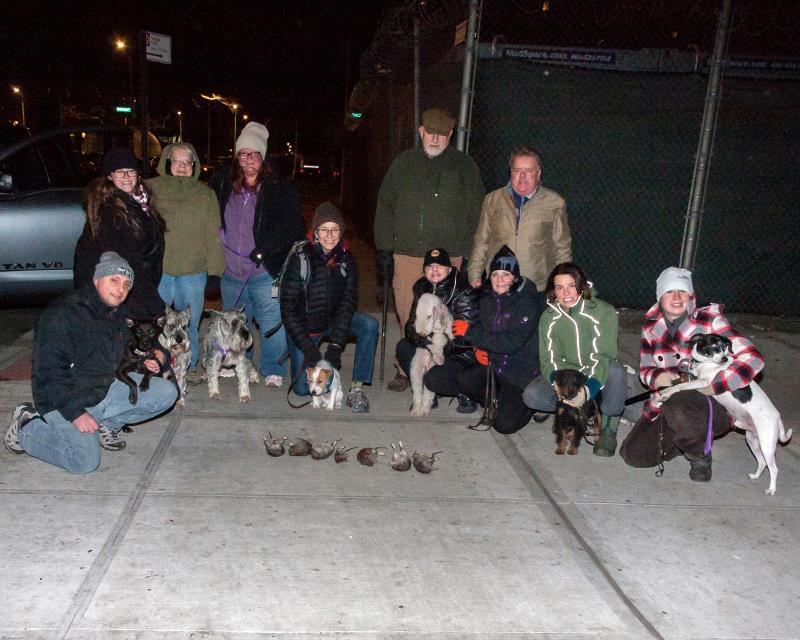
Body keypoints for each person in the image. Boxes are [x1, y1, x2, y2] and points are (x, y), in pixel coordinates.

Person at [4, 252, 178, 473]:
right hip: (64, 399)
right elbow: (48, 374)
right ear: (96, 280)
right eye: (113, 280)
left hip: (102, 390)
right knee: (84, 462)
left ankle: (107, 424)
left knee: (166, 392)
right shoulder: (63, 314)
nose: (120, 289)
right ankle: (27, 426)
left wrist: (158, 356)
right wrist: (75, 413)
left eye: (126, 283)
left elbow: (139, 341)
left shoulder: (117, 313)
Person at [374, 107, 484, 391]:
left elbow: (477, 212)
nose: (435, 139)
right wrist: (384, 249)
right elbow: (385, 206)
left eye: (441, 134)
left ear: (450, 135)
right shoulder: (403, 163)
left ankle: (443, 366)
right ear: (421, 131)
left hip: (450, 255)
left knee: (447, 315)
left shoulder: (464, 166)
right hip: (409, 252)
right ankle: (405, 366)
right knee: (408, 312)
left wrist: (472, 253)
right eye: (429, 133)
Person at [619, 267, 765, 481]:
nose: (676, 297)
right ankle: (684, 439)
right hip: (670, 402)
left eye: (682, 291)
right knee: (633, 455)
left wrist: (716, 384)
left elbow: (753, 358)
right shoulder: (651, 329)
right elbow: (646, 370)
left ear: (691, 296)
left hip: (713, 406)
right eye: (669, 292)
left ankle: (699, 454)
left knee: (677, 401)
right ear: (660, 297)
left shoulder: (710, 322)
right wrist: (658, 378)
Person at [209, 122, 304, 387]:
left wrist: (266, 248)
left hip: (264, 270)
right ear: (236, 157)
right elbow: (208, 215)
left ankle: (272, 367)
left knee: (271, 322)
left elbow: (293, 227)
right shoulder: (222, 184)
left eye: (254, 154)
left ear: (263, 157)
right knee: (236, 321)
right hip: (231, 270)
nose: (248, 159)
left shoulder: (280, 189)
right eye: (243, 153)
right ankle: (238, 362)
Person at [280, 202, 378, 413]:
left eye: (335, 230)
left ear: (341, 232)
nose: (329, 235)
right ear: (315, 231)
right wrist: (309, 348)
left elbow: (347, 305)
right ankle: (297, 353)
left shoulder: (346, 259)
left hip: (333, 323)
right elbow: (288, 310)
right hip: (306, 329)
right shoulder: (300, 257)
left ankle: (357, 388)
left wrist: (335, 345)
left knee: (369, 324)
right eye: (324, 229)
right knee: (302, 390)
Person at [522, 262, 627, 455]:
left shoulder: (603, 311)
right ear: (553, 291)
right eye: (559, 288)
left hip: (596, 370)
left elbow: (603, 354)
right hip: (567, 376)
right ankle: (577, 409)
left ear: (581, 286)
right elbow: (549, 357)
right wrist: (560, 386)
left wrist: (588, 390)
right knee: (532, 396)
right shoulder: (549, 316)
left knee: (616, 371)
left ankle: (609, 425)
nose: (566, 293)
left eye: (571, 285)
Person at [147, 142, 224, 384]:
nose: (181, 166)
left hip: (193, 272)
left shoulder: (206, 194)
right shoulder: (150, 188)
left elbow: (214, 235)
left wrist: (215, 273)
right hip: (161, 271)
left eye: (186, 163)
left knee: (189, 325)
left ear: (194, 166)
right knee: (157, 324)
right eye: (176, 161)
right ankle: (156, 365)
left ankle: (188, 368)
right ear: (167, 163)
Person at [454, 246, 546, 434]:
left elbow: (511, 343)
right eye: (495, 274)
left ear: (515, 277)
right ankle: (496, 400)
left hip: (521, 373)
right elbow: (482, 328)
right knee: (464, 380)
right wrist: (478, 348)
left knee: (504, 426)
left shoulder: (527, 302)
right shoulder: (486, 297)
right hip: (496, 365)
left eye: (506, 275)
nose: (499, 280)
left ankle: (530, 405)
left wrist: (471, 334)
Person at [74, 147, 166, 320]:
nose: (126, 176)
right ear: (110, 176)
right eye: (120, 171)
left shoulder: (140, 201)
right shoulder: (109, 209)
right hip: (119, 287)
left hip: (136, 283)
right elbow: (129, 258)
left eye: (131, 170)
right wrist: (156, 305)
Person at [468, 146, 572, 293]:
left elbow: (562, 248)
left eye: (529, 171)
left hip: (537, 287)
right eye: (517, 170)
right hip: (499, 285)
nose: (522, 176)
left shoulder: (554, 203)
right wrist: (474, 274)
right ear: (511, 173)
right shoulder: (492, 200)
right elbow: (481, 241)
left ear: (538, 174)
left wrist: (563, 283)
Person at [394, 247, 479, 413]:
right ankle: (427, 388)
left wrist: (435, 349)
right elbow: (411, 324)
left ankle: (464, 391)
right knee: (403, 347)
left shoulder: (463, 291)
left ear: (449, 268)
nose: (434, 270)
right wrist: (424, 342)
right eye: (429, 267)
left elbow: (465, 339)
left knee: (435, 379)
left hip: (457, 352)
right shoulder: (420, 288)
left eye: (439, 266)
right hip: (431, 344)